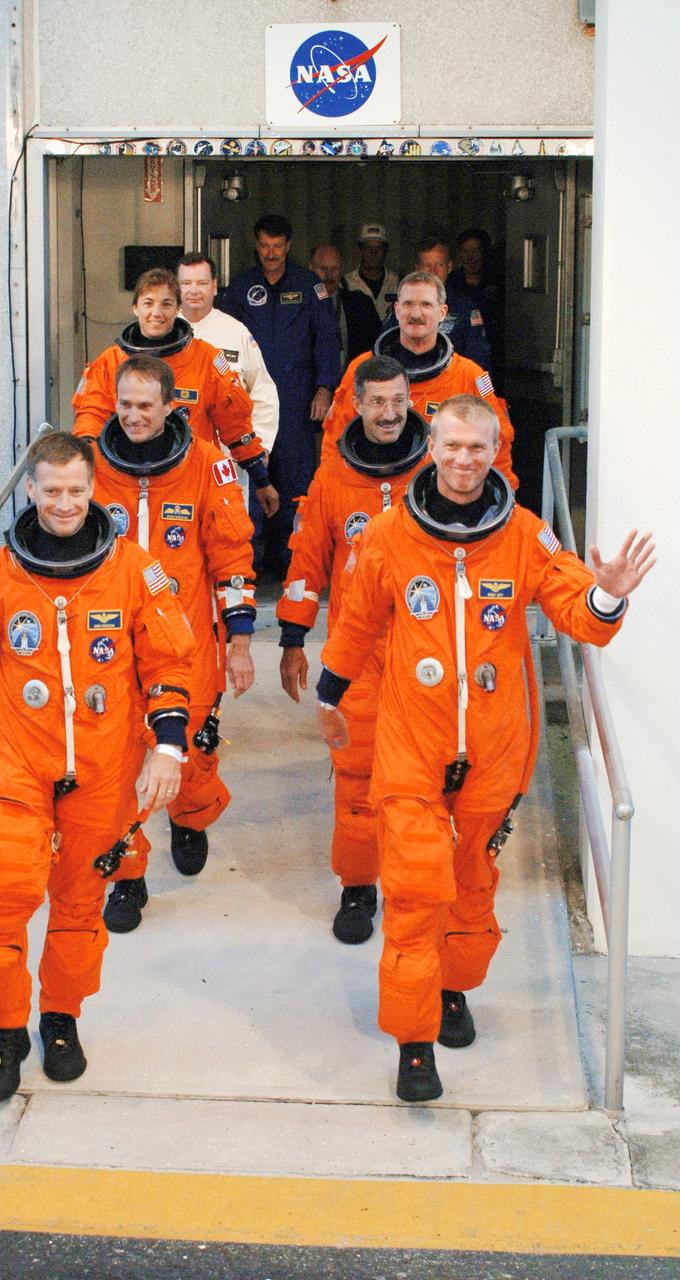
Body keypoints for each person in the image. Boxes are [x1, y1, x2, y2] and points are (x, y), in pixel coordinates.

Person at [315, 395, 655, 1104]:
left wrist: (608, 597)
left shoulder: (525, 536)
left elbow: (575, 613)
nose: (464, 461)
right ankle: (413, 1043)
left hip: (494, 751)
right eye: (452, 447)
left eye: (478, 448)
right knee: (413, 890)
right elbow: (355, 621)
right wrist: (329, 693)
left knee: (470, 887)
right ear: (430, 448)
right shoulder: (387, 535)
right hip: (412, 745)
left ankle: (453, 989)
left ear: (496, 452)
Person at [0, 432, 194, 1103]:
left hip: (101, 770)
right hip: (19, 764)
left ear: (92, 488)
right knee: (0, 903)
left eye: (77, 490)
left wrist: (168, 746)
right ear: (32, 491)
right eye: (53, 491)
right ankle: (4, 1028)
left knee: (78, 908)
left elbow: (168, 661)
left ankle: (61, 1017)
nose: (66, 503)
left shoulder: (134, 569)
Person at [88, 356, 256, 927]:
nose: (133, 416)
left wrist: (238, 640)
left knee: (192, 750)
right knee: (114, 768)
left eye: (145, 406)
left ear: (170, 406)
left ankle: (189, 817)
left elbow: (232, 555)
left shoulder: (207, 465)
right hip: (110, 646)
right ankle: (128, 876)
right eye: (125, 405)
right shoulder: (90, 465)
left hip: (184, 642)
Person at [278, 356, 428, 944]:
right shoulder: (334, 478)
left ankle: (415, 885)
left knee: (429, 782)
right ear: (357, 405)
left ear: (409, 401)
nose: (389, 414)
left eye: (398, 402)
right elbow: (306, 558)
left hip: (427, 652)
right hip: (357, 655)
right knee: (357, 777)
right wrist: (292, 638)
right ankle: (359, 887)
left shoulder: (439, 470)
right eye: (377, 403)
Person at [72, 267, 278, 520]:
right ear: (135, 307)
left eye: (166, 304)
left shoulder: (206, 360)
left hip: (190, 481)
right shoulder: (110, 362)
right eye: (148, 303)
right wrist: (81, 470)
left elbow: (236, 427)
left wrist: (261, 479)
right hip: (123, 484)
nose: (156, 313)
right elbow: (90, 421)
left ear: (178, 309)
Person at [219, 214, 341, 579]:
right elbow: (223, 344)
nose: (271, 254)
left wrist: (324, 389)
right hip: (248, 403)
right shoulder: (240, 289)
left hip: (296, 399)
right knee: (250, 480)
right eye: (265, 246)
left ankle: (292, 565)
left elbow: (327, 340)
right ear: (256, 247)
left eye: (277, 246)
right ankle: (248, 565)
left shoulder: (309, 286)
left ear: (288, 246)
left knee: (294, 483)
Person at [323, 271, 517, 489]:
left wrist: (501, 500)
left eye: (426, 305)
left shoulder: (469, 375)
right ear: (396, 310)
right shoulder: (362, 369)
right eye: (408, 304)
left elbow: (498, 440)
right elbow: (335, 440)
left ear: (442, 312)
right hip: (374, 491)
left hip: (441, 498)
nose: (416, 314)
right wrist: (329, 495)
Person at [176, 252, 279, 509]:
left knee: (229, 532)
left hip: (228, 459)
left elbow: (262, 391)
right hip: (173, 460)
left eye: (201, 283)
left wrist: (261, 447)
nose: (194, 291)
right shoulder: (162, 331)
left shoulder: (235, 332)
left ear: (214, 286)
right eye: (186, 283)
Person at [411, 236, 493, 374]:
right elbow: (381, 356)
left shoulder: (465, 308)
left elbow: (481, 364)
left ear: (449, 267)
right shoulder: (403, 309)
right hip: (413, 389)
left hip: (453, 390)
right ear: (418, 269)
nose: (433, 272)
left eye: (439, 265)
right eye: (427, 266)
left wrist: (485, 395)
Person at [447, 228, 505, 390]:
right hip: (457, 359)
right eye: (465, 251)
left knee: (486, 396)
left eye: (475, 251)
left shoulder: (499, 282)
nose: (470, 257)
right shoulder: (451, 283)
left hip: (491, 357)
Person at [309, 244, 382, 368]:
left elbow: (377, 346)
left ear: (342, 269)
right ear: (311, 269)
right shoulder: (299, 306)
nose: (329, 275)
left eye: (334, 268)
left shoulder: (361, 304)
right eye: (323, 268)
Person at [344, 222, 401, 321]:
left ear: (385, 250)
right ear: (361, 250)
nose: (373, 253)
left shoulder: (399, 283)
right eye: (368, 248)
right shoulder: (345, 284)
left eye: (378, 248)